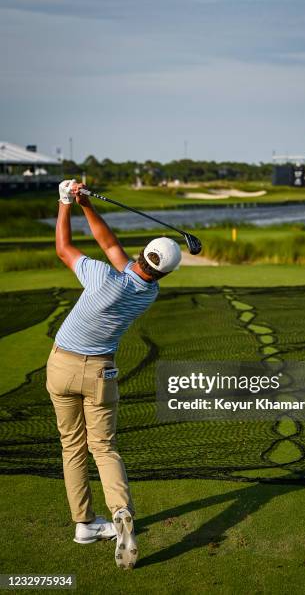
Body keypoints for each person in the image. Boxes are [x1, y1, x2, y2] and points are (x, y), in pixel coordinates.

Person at [46, 179, 182, 569]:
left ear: (141, 254)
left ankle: (85, 524)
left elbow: (64, 249)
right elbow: (110, 246)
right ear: (163, 273)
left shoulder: (103, 278)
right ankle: (120, 512)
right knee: (103, 448)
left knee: (72, 447)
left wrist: (65, 202)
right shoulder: (147, 292)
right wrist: (87, 204)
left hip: (61, 366)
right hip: (100, 373)